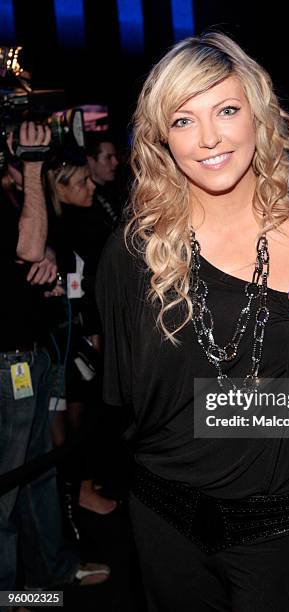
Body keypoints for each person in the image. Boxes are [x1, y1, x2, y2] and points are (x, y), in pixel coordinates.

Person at [97, 32, 289, 611]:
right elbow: (124, 402)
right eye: (183, 120)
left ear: (257, 114)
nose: (210, 138)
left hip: (283, 519)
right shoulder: (132, 250)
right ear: (161, 140)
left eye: (225, 110)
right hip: (163, 513)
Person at [0, 123, 109, 597]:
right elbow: (26, 247)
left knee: (38, 475)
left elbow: (33, 247)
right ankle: (11, 596)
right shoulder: (18, 183)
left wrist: (45, 250)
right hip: (8, 359)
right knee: (8, 486)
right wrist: (31, 164)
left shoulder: (21, 196)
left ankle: (51, 575)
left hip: (36, 350)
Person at [46, 148, 118, 515]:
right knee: (74, 416)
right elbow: (76, 285)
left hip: (83, 330)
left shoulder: (83, 218)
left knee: (86, 409)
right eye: (81, 181)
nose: (90, 185)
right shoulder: (58, 229)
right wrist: (92, 329)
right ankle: (80, 490)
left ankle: (83, 483)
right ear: (59, 187)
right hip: (66, 336)